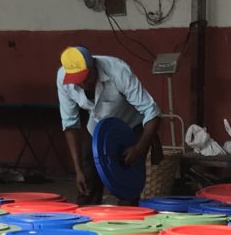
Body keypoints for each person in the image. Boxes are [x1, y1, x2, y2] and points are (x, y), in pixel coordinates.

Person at [56, 45, 161, 203]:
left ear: (93, 66)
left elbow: (152, 111)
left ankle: (128, 220)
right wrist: (78, 170)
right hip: (98, 129)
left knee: (127, 181)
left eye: (86, 78)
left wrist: (140, 148)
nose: (84, 84)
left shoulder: (118, 71)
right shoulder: (64, 78)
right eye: (78, 81)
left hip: (130, 126)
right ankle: (86, 221)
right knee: (87, 180)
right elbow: (70, 124)